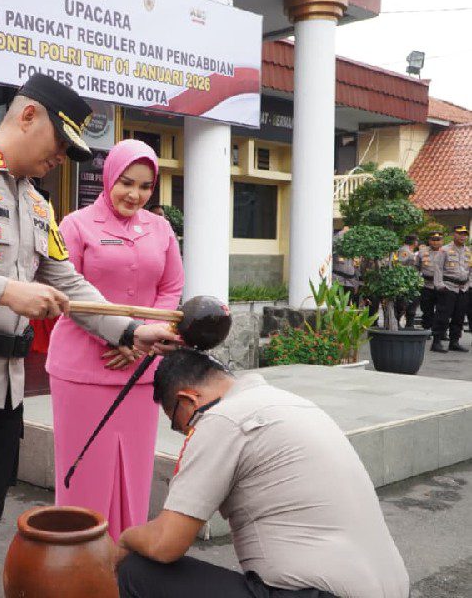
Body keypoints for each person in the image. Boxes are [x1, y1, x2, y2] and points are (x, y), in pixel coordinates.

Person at [0, 72, 180, 597]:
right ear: (27, 117)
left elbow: (68, 281)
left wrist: (132, 331)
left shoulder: (37, 203)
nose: (61, 159)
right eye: (59, 144)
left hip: (3, 394)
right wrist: (5, 290)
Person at [115, 348, 410, 598]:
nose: (185, 433)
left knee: (136, 571)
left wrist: (126, 538)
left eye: (179, 424)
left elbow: (166, 543)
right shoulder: (289, 402)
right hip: (390, 587)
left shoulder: (221, 419)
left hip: (316, 593)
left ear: (188, 399)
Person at [46, 139, 184, 539]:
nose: (134, 194)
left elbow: (171, 286)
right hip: (82, 367)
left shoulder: (160, 228)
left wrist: (141, 342)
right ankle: (75, 558)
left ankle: (125, 558)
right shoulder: (75, 225)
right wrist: (123, 336)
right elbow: (64, 292)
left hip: (140, 370)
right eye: (126, 183)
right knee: (83, 467)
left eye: (145, 186)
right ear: (109, 178)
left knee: (133, 468)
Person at [431, 225, 471, 353]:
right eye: (460, 234)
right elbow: (438, 268)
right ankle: (436, 341)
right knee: (443, 315)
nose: (462, 236)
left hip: (463, 288)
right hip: (448, 287)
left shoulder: (469, 251)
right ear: (454, 234)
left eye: (465, 234)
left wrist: (469, 284)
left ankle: (454, 342)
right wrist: (439, 285)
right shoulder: (444, 250)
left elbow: (470, 270)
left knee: (459, 317)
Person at [416, 231, 443, 331]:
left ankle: (440, 332)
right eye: (433, 240)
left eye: (438, 240)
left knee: (442, 310)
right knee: (427, 309)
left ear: (442, 241)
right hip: (427, 285)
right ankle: (427, 329)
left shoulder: (446, 251)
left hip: (442, 285)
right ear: (429, 241)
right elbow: (416, 267)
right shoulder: (422, 252)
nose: (435, 242)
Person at [332, 227, 360, 304]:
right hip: (337, 279)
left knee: (347, 306)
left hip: (350, 282)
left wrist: (356, 283)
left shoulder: (355, 241)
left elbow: (356, 266)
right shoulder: (335, 238)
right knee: (336, 305)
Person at [396, 234, 419, 328]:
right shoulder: (404, 250)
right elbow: (401, 265)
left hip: (411, 280)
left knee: (411, 304)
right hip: (405, 281)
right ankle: (398, 324)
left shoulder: (409, 250)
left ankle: (409, 325)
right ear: (414, 242)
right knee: (402, 304)